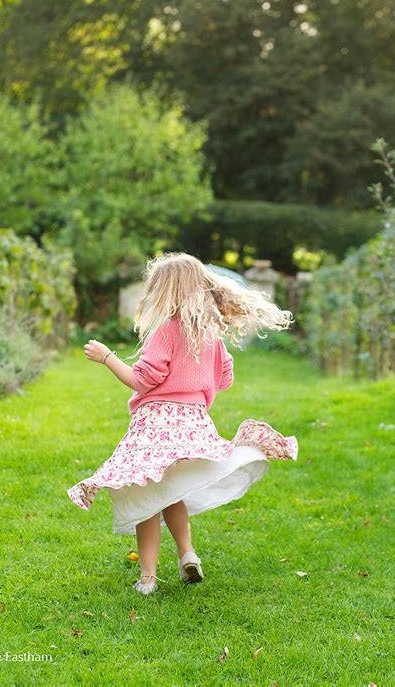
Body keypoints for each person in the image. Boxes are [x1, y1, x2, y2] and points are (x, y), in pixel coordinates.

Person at [67, 252, 298, 595]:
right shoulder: (211, 336)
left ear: (166, 293)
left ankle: (147, 580)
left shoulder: (167, 332)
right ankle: (188, 554)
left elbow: (142, 380)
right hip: (193, 423)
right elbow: (224, 379)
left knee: (145, 493)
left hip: (156, 425)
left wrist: (107, 358)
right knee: (169, 490)